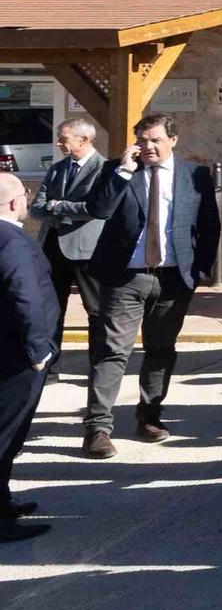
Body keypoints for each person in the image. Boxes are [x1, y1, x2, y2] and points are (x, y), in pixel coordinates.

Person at [79, 113, 221, 456]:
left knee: (160, 350)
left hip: (173, 278)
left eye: (155, 140)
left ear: (173, 140)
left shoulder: (195, 175)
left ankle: (149, 416)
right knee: (112, 351)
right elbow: (98, 209)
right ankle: (98, 427)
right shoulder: (116, 169)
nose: (148, 147)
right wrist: (124, 171)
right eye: (142, 140)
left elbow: (209, 225)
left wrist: (200, 269)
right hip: (126, 277)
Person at [0, 172, 58, 541]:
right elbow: (26, 297)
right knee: (5, 436)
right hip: (15, 355)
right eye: (25, 193)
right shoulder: (13, 241)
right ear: (13, 202)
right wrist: (39, 350)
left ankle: (3, 503)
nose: (28, 198)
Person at [29, 117, 103, 359]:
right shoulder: (57, 169)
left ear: (84, 139)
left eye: (64, 139)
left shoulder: (103, 169)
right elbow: (36, 208)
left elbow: (94, 209)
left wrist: (59, 207)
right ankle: (51, 368)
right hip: (53, 248)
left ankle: (98, 366)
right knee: (52, 311)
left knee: (96, 310)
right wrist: (64, 210)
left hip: (88, 251)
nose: (59, 144)